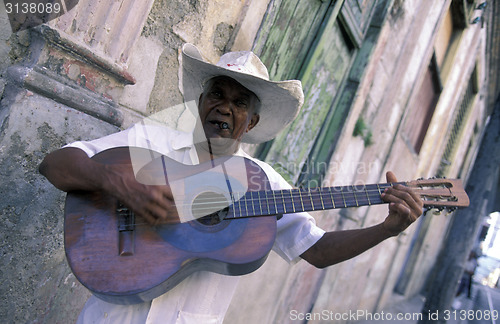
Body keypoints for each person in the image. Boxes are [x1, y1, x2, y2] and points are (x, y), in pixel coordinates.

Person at [39, 43, 424, 323]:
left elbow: (316, 249)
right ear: (201, 100)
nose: (225, 106)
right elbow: (57, 164)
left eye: (240, 102)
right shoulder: (151, 143)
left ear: (251, 122)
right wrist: (123, 185)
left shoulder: (263, 182)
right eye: (217, 94)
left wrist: (388, 229)